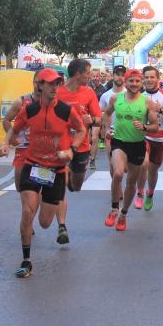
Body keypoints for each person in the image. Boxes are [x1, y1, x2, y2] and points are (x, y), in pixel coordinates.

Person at [0, 68, 87, 278]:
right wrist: (6, 143)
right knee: (27, 212)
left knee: (45, 223)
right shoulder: (29, 109)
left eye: (57, 83)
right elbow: (14, 127)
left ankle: (46, 220)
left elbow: (81, 130)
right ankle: (26, 260)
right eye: (50, 84)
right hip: (33, 164)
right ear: (40, 86)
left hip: (55, 170)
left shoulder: (66, 111)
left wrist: (72, 150)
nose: (55, 87)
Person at [100, 69, 159, 231]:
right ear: (125, 83)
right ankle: (114, 209)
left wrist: (145, 126)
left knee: (131, 182)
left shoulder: (147, 102)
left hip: (138, 145)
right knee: (118, 173)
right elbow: (106, 114)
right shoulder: (115, 98)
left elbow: (155, 126)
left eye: (137, 81)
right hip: (119, 142)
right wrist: (106, 130)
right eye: (131, 81)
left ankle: (124, 214)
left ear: (141, 83)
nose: (134, 84)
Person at [55, 59, 101, 243]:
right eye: (88, 73)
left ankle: (71, 181)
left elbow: (99, 119)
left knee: (76, 185)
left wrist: (91, 120)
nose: (90, 76)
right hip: (62, 146)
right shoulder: (58, 93)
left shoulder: (89, 93)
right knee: (60, 186)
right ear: (78, 74)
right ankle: (62, 227)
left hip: (82, 147)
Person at [134, 66, 163, 211]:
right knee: (143, 165)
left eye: (152, 77)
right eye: (147, 77)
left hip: (160, 138)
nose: (149, 80)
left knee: (153, 170)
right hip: (143, 137)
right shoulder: (138, 96)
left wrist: (160, 109)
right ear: (143, 79)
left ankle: (150, 193)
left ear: (158, 79)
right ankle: (139, 193)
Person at [2, 71, 41, 192]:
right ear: (33, 82)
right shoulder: (22, 101)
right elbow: (7, 120)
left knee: (40, 190)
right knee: (20, 187)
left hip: (43, 151)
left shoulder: (53, 103)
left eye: (42, 83)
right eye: (37, 82)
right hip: (23, 148)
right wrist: (12, 138)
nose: (39, 85)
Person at [100, 65, 126, 166]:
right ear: (112, 76)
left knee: (126, 168)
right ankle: (114, 182)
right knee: (113, 165)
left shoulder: (130, 94)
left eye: (122, 75)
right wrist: (105, 130)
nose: (120, 77)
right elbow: (101, 113)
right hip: (111, 132)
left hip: (127, 132)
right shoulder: (105, 95)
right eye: (117, 74)